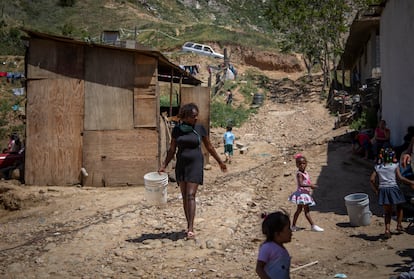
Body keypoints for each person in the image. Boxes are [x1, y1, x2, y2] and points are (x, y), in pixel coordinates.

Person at [158, 103, 227, 239]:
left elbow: (210, 147)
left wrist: (220, 162)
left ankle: (191, 228)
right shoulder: (177, 130)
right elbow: (172, 149)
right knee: (185, 196)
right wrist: (164, 165)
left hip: (195, 164)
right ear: (186, 116)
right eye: (193, 116)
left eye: (196, 116)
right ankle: (188, 223)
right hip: (182, 165)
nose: (196, 119)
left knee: (191, 195)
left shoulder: (200, 129)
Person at [369, 148, 414, 239]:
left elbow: (372, 180)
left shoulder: (378, 167)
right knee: (400, 206)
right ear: (392, 157)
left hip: (383, 190)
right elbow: (400, 178)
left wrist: (376, 190)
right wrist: (411, 182)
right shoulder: (394, 166)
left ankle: (387, 230)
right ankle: (399, 225)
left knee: (387, 212)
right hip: (393, 188)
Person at [288, 154, 324, 232]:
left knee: (299, 210)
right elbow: (300, 184)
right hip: (302, 195)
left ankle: (293, 226)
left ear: (306, 163)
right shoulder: (299, 174)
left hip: (304, 194)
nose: (302, 165)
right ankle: (313, 226)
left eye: (304, 163)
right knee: (306, 211)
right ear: (297, 165)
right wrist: (310, 185)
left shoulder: (305, 172)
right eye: (300, 164)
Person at [256, 211, 292, 279]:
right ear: (277, 234)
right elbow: (259, 268)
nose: (291, 231)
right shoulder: (267, 247)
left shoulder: (281, 249)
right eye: (288, 229)